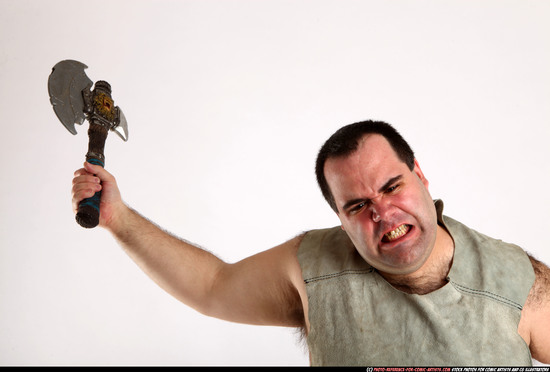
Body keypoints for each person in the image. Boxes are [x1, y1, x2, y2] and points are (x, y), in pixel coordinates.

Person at [72, 120, 550, 366]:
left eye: (391, 187)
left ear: (419, 175)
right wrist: (119, 219)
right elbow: (213, 287)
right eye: (358, 206)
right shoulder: (312, 267)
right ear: (339, 219)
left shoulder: (517, 281)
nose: (383, 213)